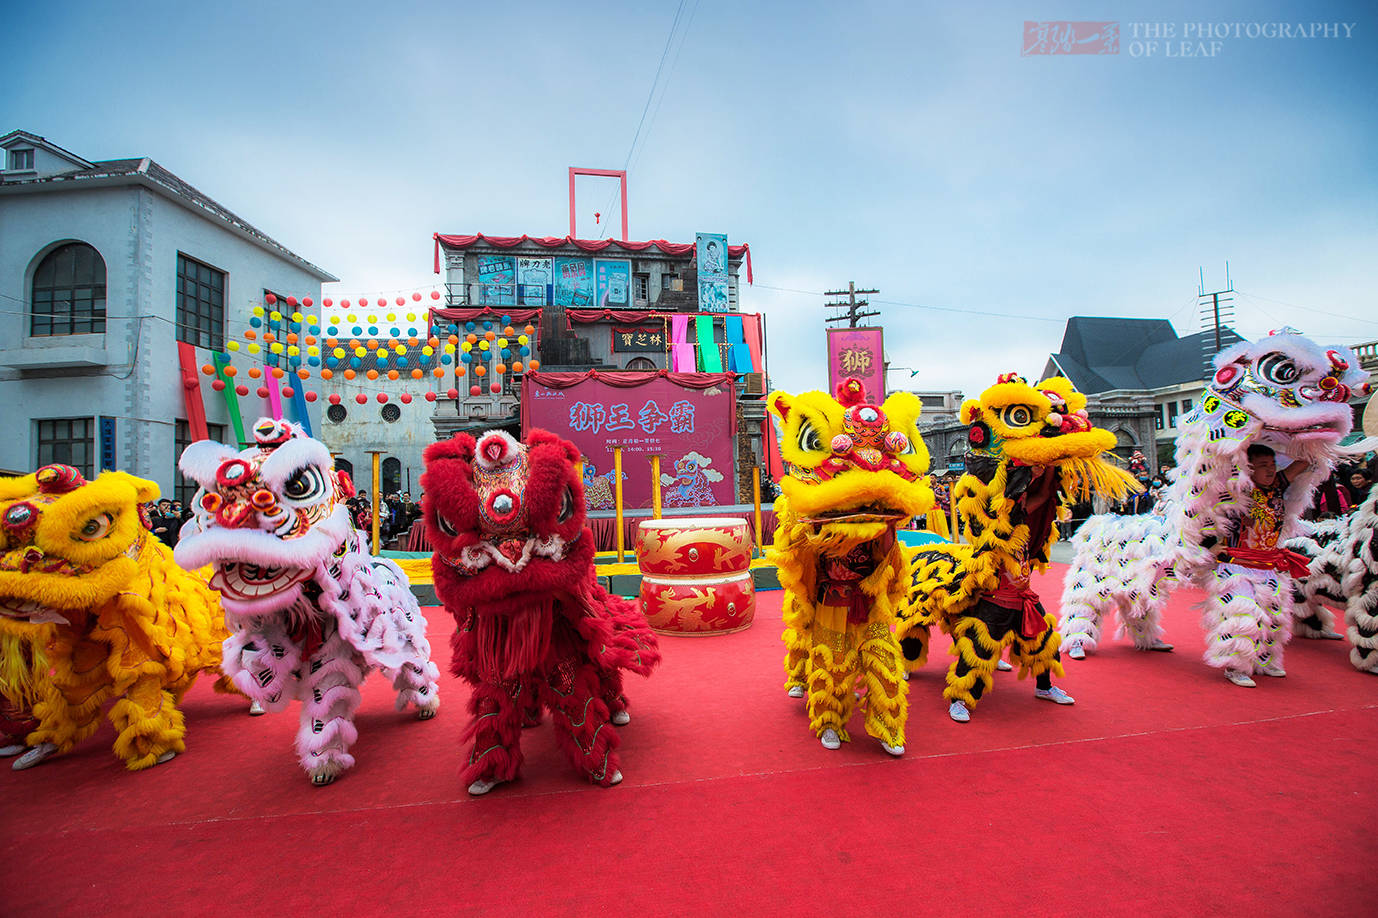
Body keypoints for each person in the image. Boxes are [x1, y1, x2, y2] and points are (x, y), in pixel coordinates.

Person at [1205, 443, 1312, 686]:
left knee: (1273, 618)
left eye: (1272, 465)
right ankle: (1236, 665)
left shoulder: (1278, 485)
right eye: (1263, 465)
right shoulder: (1235, 490)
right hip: (1236, 566)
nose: (1270, 470)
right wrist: (1209, 544)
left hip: (1269, 565)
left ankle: (1263, 660)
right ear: (1248, 468)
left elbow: (1305, 461)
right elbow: (1203, 513)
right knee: (1243, 615)